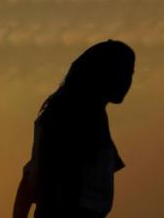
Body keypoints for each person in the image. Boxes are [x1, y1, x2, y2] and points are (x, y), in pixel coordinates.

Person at [13, 40, 135, 218]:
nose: (127, 81)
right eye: (122, 72)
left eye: (130, 74)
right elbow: (49, 181)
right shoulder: (77, 115)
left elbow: (30, 177)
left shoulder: (89, 114)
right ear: (103, 72)